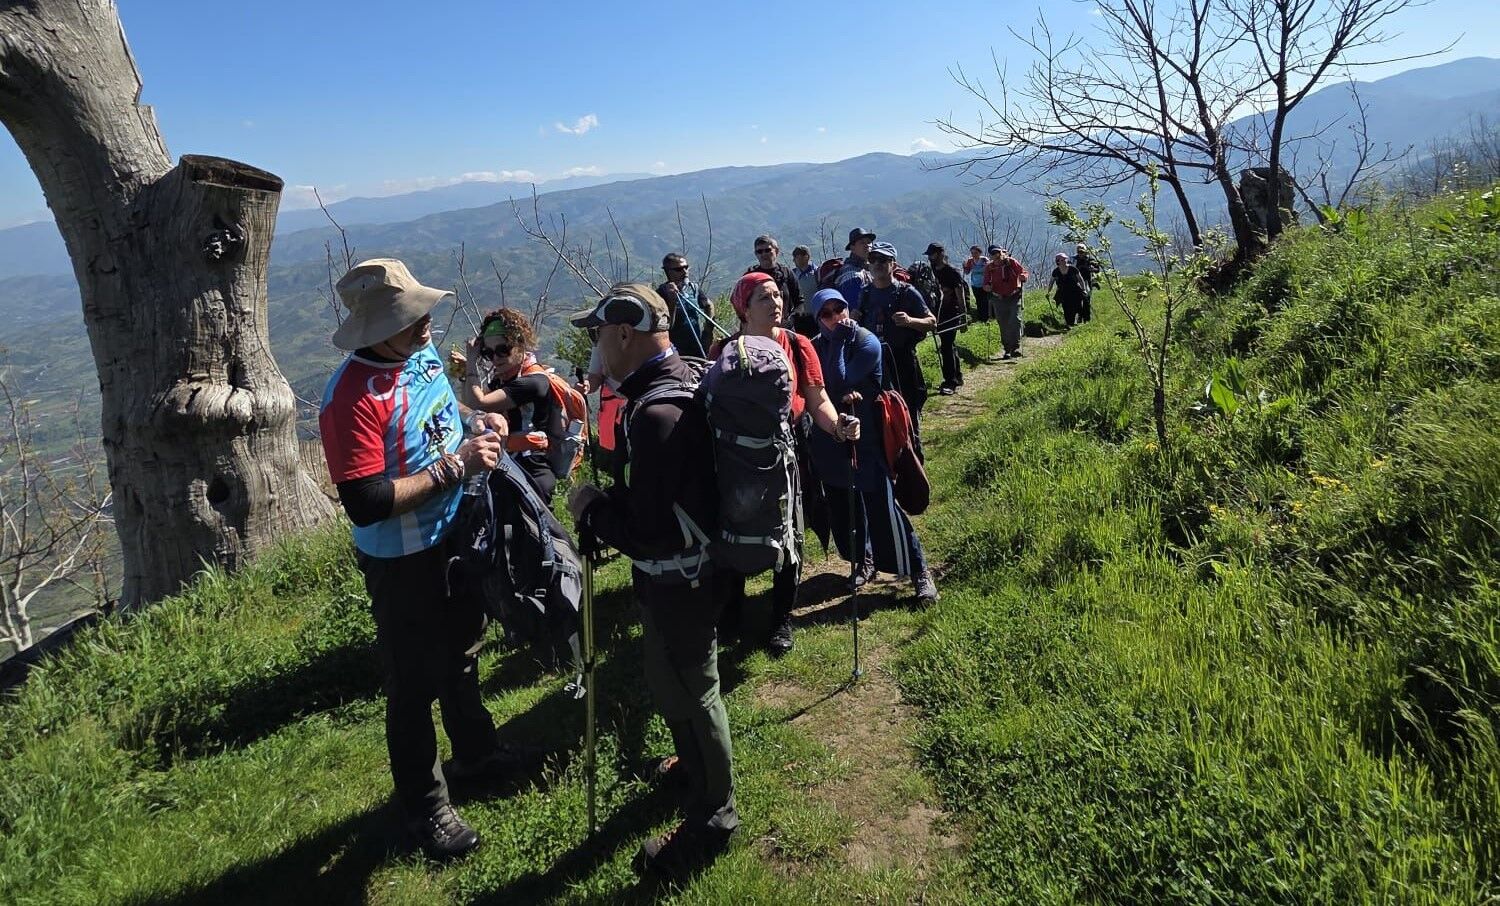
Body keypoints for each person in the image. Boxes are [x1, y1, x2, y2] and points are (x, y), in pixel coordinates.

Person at [319, 258, 534, 860]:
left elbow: (443, 415)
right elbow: (365, 502)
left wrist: (475, 419)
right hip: (401, 560)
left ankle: (476, 754)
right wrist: (454, 467)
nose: (426, 323)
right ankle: (426, 807)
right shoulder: (350, 398)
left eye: (422, 312)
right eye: (411, 317)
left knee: (463, 652)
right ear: (376, 329)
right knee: (411, 684)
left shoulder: (417, 355)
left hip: (453, 534)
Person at [565, 283, 740, 880]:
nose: (595, 346)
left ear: (624, 333)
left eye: (598, 334)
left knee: (697, 688)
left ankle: (715, 815)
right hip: (686, 574)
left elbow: (649, 534)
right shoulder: (675, 384)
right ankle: (692, 767)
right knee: (671, 681)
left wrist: (592, 509)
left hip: (682, 580)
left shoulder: (656, 414)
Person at [711, 272, 859, 656]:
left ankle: (781, 619)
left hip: (788, 450)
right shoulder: (724, 351)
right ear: (744, 308)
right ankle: (731, 612)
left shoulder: (797, 345)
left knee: (789, 531)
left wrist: (837, 427)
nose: (775, 303)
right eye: (764, 297)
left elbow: (817, 398)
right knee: (735, 527)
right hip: (737, 457)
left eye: (777, 295)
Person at [807, 289, 938, 605]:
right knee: (844, 508)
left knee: (882, 506)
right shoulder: (812, 347)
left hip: (867, 440)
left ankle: (918, 570)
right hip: (830, 441)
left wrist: (839, 342)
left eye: (840, 309)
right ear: (817, 319)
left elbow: (837, 382)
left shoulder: (866, 342)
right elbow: (819, 389)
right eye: (826, 314)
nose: (836, 317)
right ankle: (863, 561)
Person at [450, 307, 562, 502]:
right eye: (488, 353)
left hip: (532, 473)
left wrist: (472, 364)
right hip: (510, 467)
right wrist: (465, 374)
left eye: (503, 350)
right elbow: (473, 408)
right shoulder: (503, 378)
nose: (495, 358)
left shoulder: (534, 382)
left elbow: (480, 403)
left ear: (520, 344)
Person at [853, 241, 936, 451]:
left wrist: (910, 321)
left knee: (908, 414)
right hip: (874, 366)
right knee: (880, 414)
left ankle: (914, 458)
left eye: (883, 260)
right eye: (873, 259)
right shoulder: (865, 293)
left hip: (903, 364)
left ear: (893, 264)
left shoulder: (907, 292)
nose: (877, 264)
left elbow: (931, 322)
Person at [924, 242, 969, 395]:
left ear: (940, 254)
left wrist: (963, 317)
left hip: (951, 313)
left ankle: (950, 382)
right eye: (929, 255)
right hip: (938, 314)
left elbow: (960, 294)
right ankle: (957, 376)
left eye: (932, 254)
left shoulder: (951, 272)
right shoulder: (931, 271)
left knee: (946, 346)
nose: (930, 257)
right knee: (949, 345)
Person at [657, 252, 716, 359]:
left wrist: (708, 329)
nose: (685, 272)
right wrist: (672, 302)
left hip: (698, 346)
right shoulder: (661, 294)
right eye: (679, 269)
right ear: (668, 271)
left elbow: (708, 305)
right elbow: (666, 326)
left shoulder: (693, 288)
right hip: (676, 351)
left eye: (686, 267)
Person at [744, 234, 805, 334]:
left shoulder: (786, 273)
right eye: (759, 251)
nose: (764, 254)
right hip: (760, 332)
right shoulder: (750, 276)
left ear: (776, 251)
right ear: (756, 254)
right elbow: (742, 305)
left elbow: (800, 301)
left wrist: (792, 319)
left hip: (786, 330)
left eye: (767, 250)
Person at [983, 245, 1029, 360]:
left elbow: (1023, 272)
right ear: (991, 256)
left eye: (998, 253)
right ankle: (1007, 349)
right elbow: (985, 282)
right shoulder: (989, 267)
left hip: (1014, 296)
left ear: (1002, 253)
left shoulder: (1011, 262)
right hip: (998, 298)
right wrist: (987, 287)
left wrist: (1023, 276)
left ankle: (1015, 347)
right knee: (1003, 324)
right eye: (993, 254)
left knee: (1015, 320)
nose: (996, 256)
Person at [832, 227, 876, 307]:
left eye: (869, 242)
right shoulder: (852, 276)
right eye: (862, 242)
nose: (867, 245)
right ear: (852, 248)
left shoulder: (867, 269)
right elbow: (853, 307)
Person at [1047, 253, 1089, 328]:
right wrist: (1048, 292)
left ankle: (1079, 321)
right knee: (1066, 308)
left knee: (1077, 306)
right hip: (1063, 293)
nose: (1065, 261)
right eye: (1062, 260)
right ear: (1058, 261)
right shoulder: (1056, 271)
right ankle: (1069, 324)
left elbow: (1080, 279)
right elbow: (1051, 282)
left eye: (1065, 259)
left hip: (1075, 291)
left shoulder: (1073, 269)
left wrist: (1084, 289)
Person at [790, 245, 819, 334]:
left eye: (797, 257)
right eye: (795, 257)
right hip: (799, 318)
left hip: (815, 317)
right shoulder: (792, 274)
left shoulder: (817, 273)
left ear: (807, 257)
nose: (795, 260)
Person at [963, 244, 990, 323]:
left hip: (984, 284)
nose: (973, 254)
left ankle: (986, 318)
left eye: (975, 253)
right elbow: (967, 272)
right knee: (978, 301)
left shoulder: (984, 260)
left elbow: (989, 269)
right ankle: (981, 318)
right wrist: (964, 267)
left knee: (985, 301)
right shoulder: (970, 261)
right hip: (974, 284)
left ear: (980, 253)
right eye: (972, 253)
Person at [1074, 242, 1098, 323]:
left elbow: (1097, 269)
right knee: (1078, 300)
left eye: (1082, 251)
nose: (1080, 253)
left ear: (1085, 251)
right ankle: (1080, 316)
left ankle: (1087, 319)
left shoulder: (1090, 259)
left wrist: (1092, 269)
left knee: (1086, 300)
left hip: (1087, 281)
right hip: (1077, 282)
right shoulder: (1074, 259)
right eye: (1078, 251)